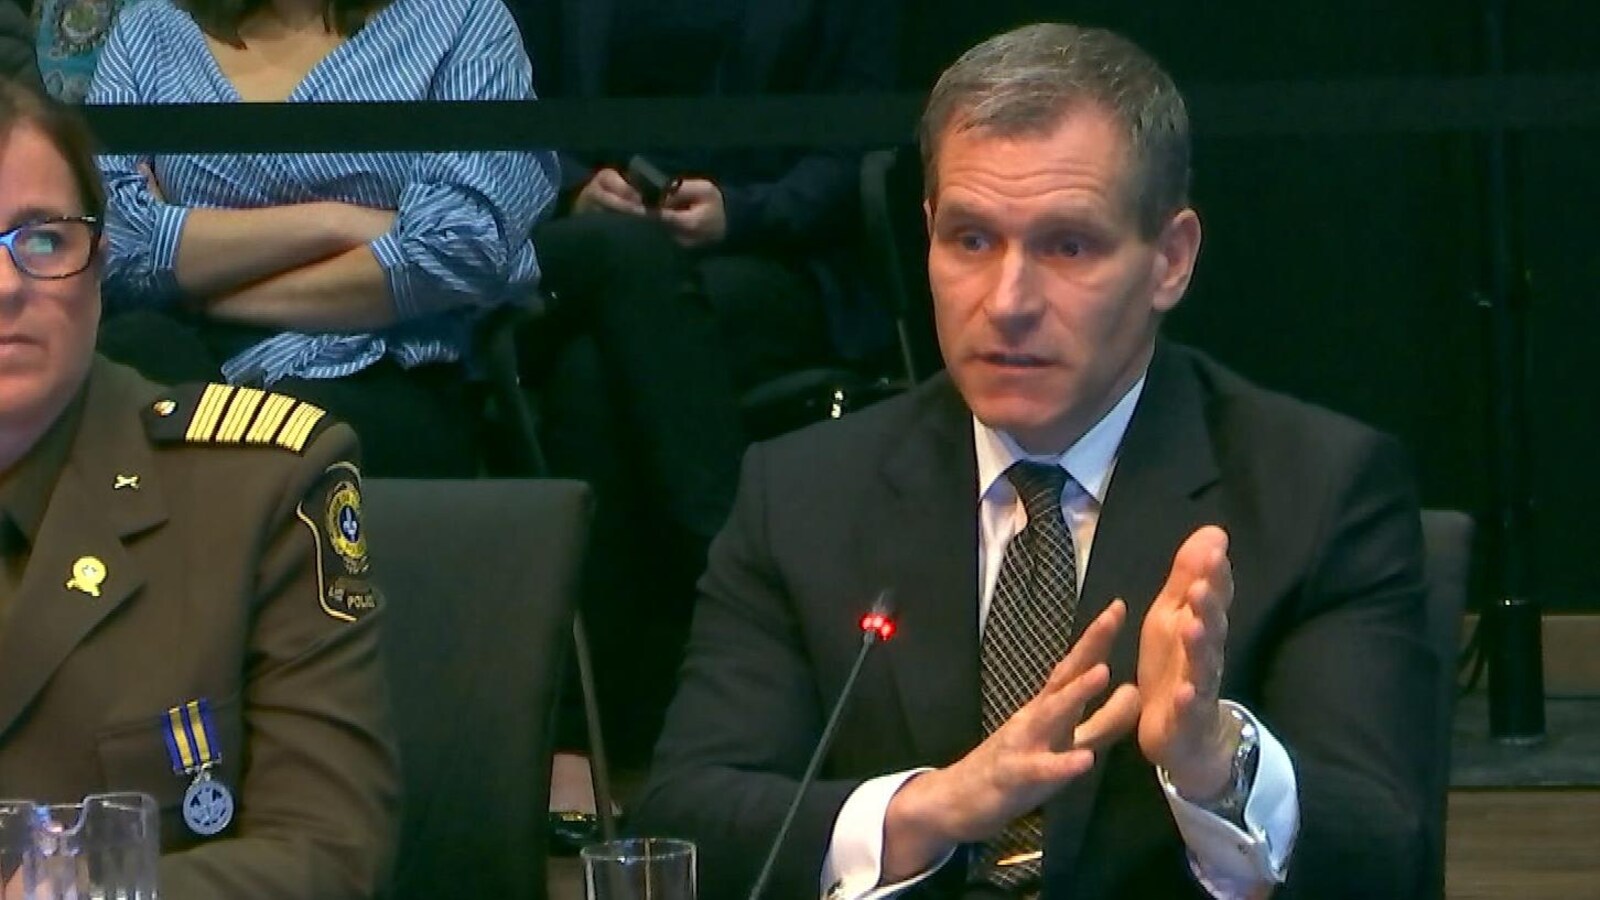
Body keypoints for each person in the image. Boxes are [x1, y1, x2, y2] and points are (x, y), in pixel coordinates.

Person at [633, 22, 1438, 900]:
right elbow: (690, 822)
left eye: (1068, 246)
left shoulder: (1318, 491)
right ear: (928, 233)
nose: (1008, 302)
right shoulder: (798, 495)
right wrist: (930, 811)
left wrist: (1215, 768)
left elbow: (1383, 855)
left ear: (1170, 260)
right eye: (972, 241)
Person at [0, 80, 396, 898]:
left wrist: (65, 893)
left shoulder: (260, 487)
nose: (9, 287)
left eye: (42, 242)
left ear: (98, 268)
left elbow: (328, 857)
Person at [511, 0, 898, 774]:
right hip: (597, 260)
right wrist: (578, 186)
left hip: (767, 259)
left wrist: (742, 213)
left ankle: (590, 741)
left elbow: (857, 145)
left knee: (591, 379)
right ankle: (749, 604)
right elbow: (510, 113)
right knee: (614, 313)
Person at [86, 0, 556, 477]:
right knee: (124, 374)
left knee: (264, 452)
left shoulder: (463, 20)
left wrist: (200, 285)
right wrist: (339, 223)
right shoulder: (151, 28)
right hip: (178, 353)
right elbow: (107, 244)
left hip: (378, 367)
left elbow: (460, 247)